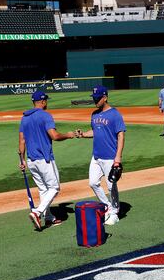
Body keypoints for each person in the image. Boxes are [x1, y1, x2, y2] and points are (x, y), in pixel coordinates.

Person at [18, 89, 77, 230]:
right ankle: (37, 212)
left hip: (31, 161)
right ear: (43, 102)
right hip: (44, 159)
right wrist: (68, 135)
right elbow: (54, 136)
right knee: (54, 188)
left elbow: (22, 140)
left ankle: (49, 218)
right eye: (46, 101)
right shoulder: (45, 116)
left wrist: (22, 160)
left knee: (43, 189)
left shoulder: (24, 118)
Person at [76, 85, 126, 225]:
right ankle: (108, 206)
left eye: (98, 98)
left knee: (111, 186)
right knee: (93, 182)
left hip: (110, 156)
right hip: (96, 156)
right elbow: (95, 132)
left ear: (105, 97)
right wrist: (83, 134)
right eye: (94, 98)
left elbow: (121, 135)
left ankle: (115, 212)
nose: (95, 101)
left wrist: (118, 157)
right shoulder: (94, 114)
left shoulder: (115, 114)